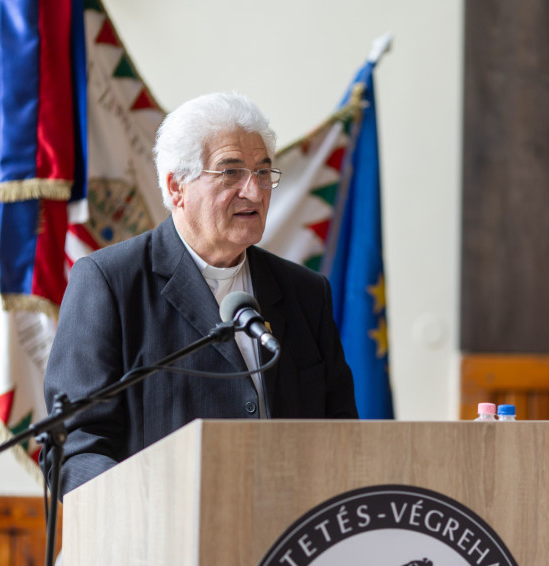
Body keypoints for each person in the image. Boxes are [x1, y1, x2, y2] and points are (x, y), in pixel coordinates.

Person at [44, 92, 358, 496]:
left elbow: (342, 432)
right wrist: (145, 508)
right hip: (161, 526)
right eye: (231, 173)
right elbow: (76, 448)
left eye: (263, 172)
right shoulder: (110, 283)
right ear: (177, 187)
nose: (255, 191)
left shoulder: (306, 292)